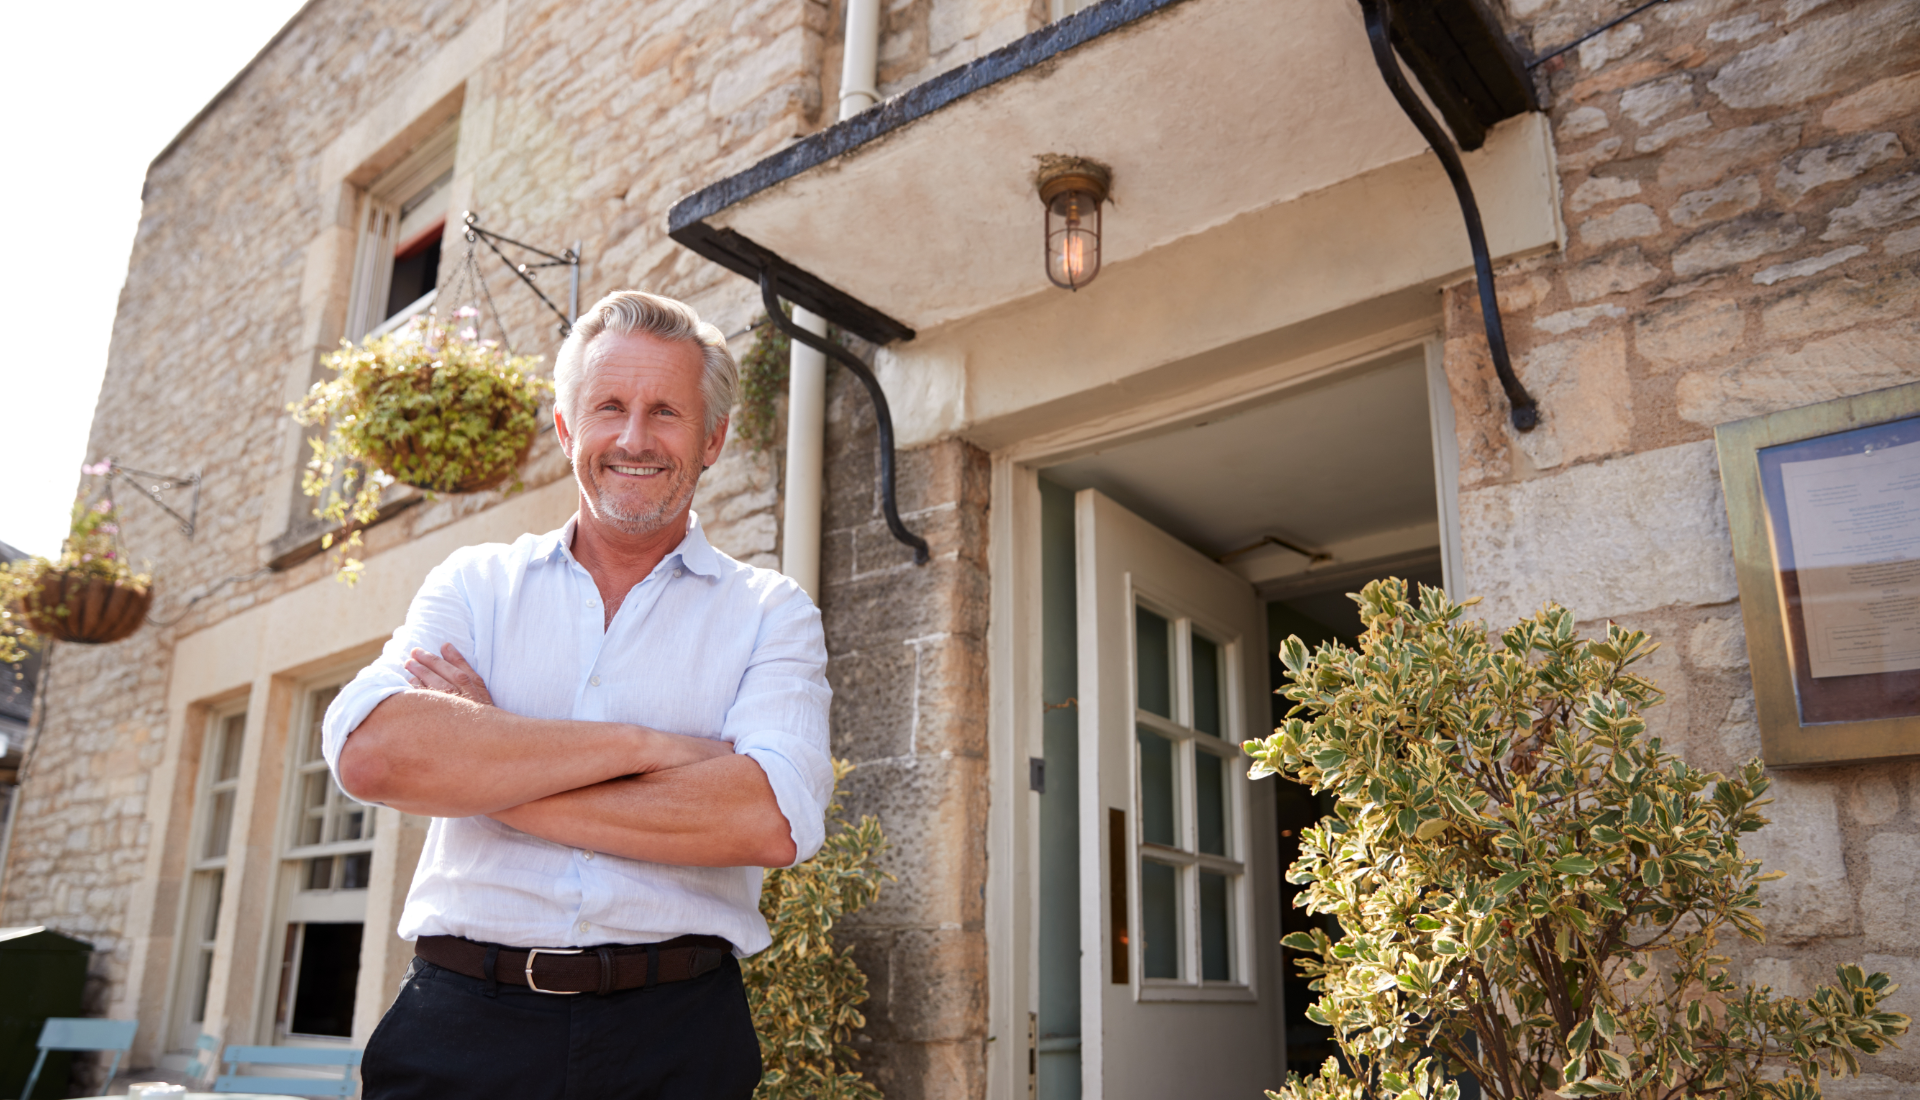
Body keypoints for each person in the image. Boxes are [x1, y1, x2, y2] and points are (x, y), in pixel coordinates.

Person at [322, 290, 832, 1100]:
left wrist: (489, 761)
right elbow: (377, 753)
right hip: (461, 1027)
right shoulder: (476, 584)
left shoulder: (770, 611)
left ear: (713, 440)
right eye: (608, 407)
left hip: (677, 1039)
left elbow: (767, 819)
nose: (634, 437)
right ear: (567, 431)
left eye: (665, 411)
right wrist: (651, 748)